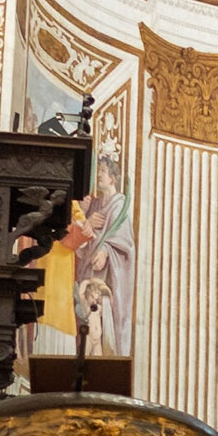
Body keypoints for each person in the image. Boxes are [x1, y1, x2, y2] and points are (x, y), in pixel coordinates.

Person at [73, 151, 135, 356]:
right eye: (98, 171)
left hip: (106, 279)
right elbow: (82, 242)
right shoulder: (94, 204)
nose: (99, 175)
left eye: (103, 171)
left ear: (113, 178)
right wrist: (84, 219)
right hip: (87, 274)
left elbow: (125, 243)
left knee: (100, 329)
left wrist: (106, 250)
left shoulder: (119, 205)